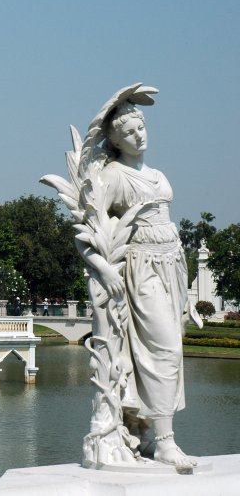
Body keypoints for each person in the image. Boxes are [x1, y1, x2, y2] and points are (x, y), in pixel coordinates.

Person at [85, 99, 195, 467]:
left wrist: (189, 291)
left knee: (171, 353)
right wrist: (104, 268)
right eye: (129, 132)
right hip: (141, 269)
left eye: (141, 128)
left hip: (172, 268)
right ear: (115, 141)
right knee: (161, 351)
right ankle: (165, 441)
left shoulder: (159, 176)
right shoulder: (113, 177)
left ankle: (144, 434)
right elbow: (87, 233)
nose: (138, 135)